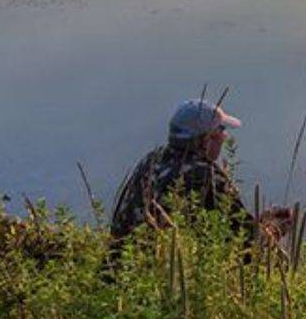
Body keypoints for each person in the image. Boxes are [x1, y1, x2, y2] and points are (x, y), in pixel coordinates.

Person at [109, 98, 292, 250]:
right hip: (158, 282)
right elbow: (248, 248)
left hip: (117, 274)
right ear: (207, 139)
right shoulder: (204, 177)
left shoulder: (152, 161)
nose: (224, 137)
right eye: (221, 130)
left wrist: (254, 224)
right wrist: (274, 228)